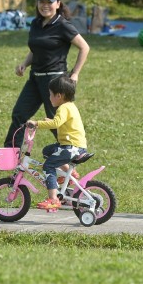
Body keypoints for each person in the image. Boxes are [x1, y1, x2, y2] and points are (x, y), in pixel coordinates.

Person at [0, 0, 90, 163]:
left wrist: (75, 74)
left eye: (49, 2)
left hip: (55, 81)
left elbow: (84, 47)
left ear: (58, 4)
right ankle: (10, 157)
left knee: (55, 121)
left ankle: (72, 152)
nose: (45, 5)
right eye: (42, 2)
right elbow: (35, 49)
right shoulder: (36, 23)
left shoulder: (63, 25)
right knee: (19, 114)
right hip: (35, 78)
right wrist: (24, 64)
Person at [26, 76, 87, 210]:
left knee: (48, 165)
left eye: (50, 94)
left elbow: (57, 122)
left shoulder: (63, 108)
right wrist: (49, 122)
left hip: (72, 147)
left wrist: (36, 123)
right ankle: (71, 175)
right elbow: (61, 123)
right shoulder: (70, 106)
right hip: (74, 146)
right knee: (48, 151)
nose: (49, 97)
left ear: (59, 95)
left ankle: (53, 199)